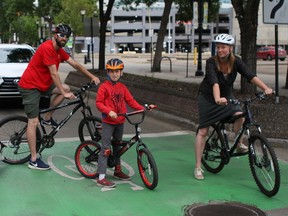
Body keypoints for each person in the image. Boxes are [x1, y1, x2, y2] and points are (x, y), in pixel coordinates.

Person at [18, 24, 100, 170]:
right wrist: (63, 92)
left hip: (43, 85)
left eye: (67, 36)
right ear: (55, 35)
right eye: (62, 35)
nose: (65, 38)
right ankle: (33, 159)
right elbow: (54, 73)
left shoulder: (59, 51)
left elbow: (75, 64)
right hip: (30, 86)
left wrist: (92, 76)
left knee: (67, 88)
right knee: (33, 122)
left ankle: (48, 117)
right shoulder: (47, 48)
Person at [194, 34, 273, 180]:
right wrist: (217, 99)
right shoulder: (211, 62)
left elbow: (250, 76)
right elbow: (214, 82)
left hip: (226, 95)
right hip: (208, 97)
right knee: (203, 130)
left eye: (223, 47)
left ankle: (238, 142)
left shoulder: (236, 61)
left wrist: (265, 88)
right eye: (218, 47)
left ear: (230, 48)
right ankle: (198, 166)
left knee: (240, 115)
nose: (220, 50)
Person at [96, 58, 155, 188]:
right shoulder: (104, 87)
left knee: (117, 147)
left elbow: (131, 101)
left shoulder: (122, 87)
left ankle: (117, 170)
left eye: (117, 71)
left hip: (120, 121)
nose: (114, 74)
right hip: (108, 122)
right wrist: (108, 111)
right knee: (106, 149)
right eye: (111, 71)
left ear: (121, 72)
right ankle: (101, 177)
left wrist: (143, 108)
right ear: (107, 72)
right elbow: (99, 103)